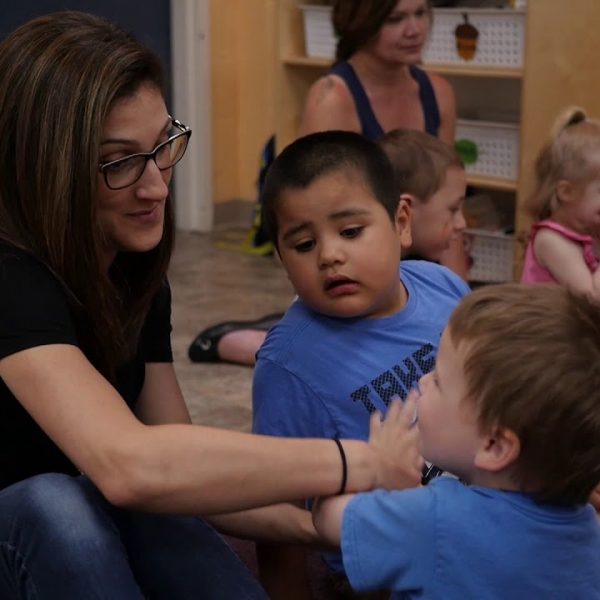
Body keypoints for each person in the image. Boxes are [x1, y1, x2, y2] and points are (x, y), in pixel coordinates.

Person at [0, 13, 426, 599]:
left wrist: (322, 528)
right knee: (60, 503)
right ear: (45, 166)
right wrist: (362, 462)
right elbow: (127, 465)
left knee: (162, 502)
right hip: (25, 528)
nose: (156, 186)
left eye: (161, 147)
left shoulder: (131, 271)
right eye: (119, 162)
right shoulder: (11, 277)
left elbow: (177, 463)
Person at [244, 130, 469, 599]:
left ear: (401, 222)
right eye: (303, 244)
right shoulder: (287, 367)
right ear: (281, 257)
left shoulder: (443, 287)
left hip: (479, 521)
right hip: (385, 570)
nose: (330, 255)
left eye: (350, 232)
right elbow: (278, 511)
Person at [188, 0, 467, 366]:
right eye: (396, 18)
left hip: (411, 264)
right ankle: (238, 341)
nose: (415, 29)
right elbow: (310, 215)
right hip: (351, 268)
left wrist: (458, 295)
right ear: (361, 21)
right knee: (340, 360)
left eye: (421, 14)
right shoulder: (333, 98)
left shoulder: (439, 92)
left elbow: (446, 197)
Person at [313, 283, 600, 599]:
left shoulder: (434, 521)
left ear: (494, 446)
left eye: (438, 380)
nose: (422, 381)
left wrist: (379, 469)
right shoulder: (588, 528)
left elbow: (326, 517)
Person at [520, 106, 600, 298]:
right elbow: (592, 298)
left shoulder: (590, 231)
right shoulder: (550, 240)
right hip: (546, 320)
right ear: (566, 192)